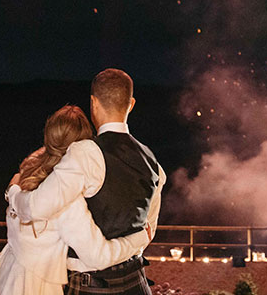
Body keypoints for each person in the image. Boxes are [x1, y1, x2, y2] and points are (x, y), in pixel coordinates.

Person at [9, 68, 165, 295]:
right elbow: (148, 229)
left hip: (92, 286)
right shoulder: (152, 161)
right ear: (130, 104)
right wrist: (137, 241)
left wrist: (13, 192)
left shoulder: (85, 153)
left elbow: (36, 208)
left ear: (93, 103)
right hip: (137, 284)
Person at [0, 105, 151, 295]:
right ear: (84, 144)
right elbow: (99, 257)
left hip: (9, 273)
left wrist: (11, 191)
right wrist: (140, 238)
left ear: (49, 137)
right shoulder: (66, 201)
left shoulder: (26, 175)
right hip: (40, 286)